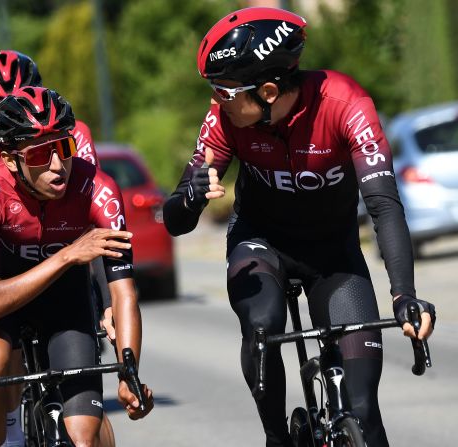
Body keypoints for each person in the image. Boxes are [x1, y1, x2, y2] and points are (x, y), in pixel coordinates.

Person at [162, 7, 436, 447]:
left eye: (223, 90)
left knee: (364, 411)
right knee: (263, 325)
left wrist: (403, 293)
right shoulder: (225, 121)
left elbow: (384, 205)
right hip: (261, 244)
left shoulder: (346, 105)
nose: (215, 101)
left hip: (333, 255)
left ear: (268, 90)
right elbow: (176, 220)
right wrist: (189, 197)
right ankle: (276, 438)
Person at [0, 49, 113, 447]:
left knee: (87, 406)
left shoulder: (72, 134)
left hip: (63, 267)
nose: (10, 109)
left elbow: (96, 220)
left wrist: (106, 301)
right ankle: (11, 433)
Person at [0, 86, 153, 447]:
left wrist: (130, 375)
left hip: (66, 303)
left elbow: (124, 293)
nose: (57, 165)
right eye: (39, 155)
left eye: (64, 148)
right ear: (9, 158)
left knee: (83, 439)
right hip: (2, 297)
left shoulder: (98, 187)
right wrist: (67, 255)